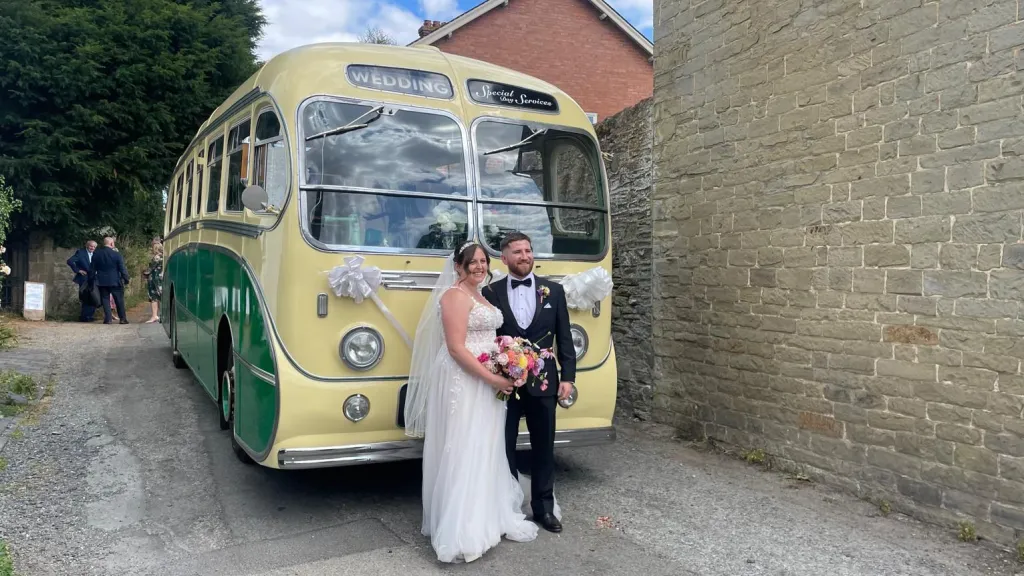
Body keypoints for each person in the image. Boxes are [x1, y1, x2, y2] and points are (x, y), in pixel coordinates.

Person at [404, 241, 538, 564]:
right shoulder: (453, 296)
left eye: (483, 261)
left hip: (486, 379)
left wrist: (510, 361)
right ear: (459, 266)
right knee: (464, 447)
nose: (480, 266)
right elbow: (455, 348)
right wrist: (493, 378)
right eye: (473, 262)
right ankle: (462, 528)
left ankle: (488, 518)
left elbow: (491, 339)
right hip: (464, 381)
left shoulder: (480, 295)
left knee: (485, 445)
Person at [483, 231, 575, 534]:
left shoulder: (554, 291)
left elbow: (564, 338)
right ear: (504, 258)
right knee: (503, 447)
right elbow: (487, 342)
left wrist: (569, 378)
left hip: (546, 381)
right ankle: (507, 507)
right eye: (518, 252)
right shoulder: (490, 293)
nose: (525, 256)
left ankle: (544, 508)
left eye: (528, 251)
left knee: (544, 446)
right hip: (504, 384)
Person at [89, 236, 130, 325]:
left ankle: (108, 319)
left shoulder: (96, 254)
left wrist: (91, 280)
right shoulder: (117, 255)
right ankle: (122, 319)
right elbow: (122, 268)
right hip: (115, 280)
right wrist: (126, 278)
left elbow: (92, 269)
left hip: (102, 281)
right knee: (119, 299)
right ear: (111, 243)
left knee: (105, 299)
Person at [67, 240, 98, 322]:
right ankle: (84, 317)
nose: (93, 248)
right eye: (91, 246)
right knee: (85, 297)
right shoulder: (81, 253)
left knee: (94, 296)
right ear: (87, 245)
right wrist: (78, 270)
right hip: (84, 278)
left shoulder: (96, 254)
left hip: (94, 278)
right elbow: (70, 261)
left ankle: (90, 316)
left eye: (94, 247)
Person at [142, 238, 163, 323]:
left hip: (154, 278)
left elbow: (150, 269)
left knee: (154, 296)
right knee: (161, 296)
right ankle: (161, 315)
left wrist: (144, 273)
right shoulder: (163, 256)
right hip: (161, 278)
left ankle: (154, 315)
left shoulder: (156, 257)